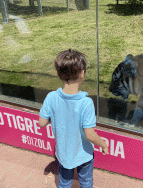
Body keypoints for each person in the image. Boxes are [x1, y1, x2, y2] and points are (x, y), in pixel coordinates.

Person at [38, 49, 108, 188]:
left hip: (63, 155)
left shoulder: (51, 97)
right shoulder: (86, 102)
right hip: (84, 155)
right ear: (82, 74)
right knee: (86, 182)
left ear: (59, 75)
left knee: (64, 183)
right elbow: (90, 134)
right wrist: (103, 144)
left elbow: (42, 122)